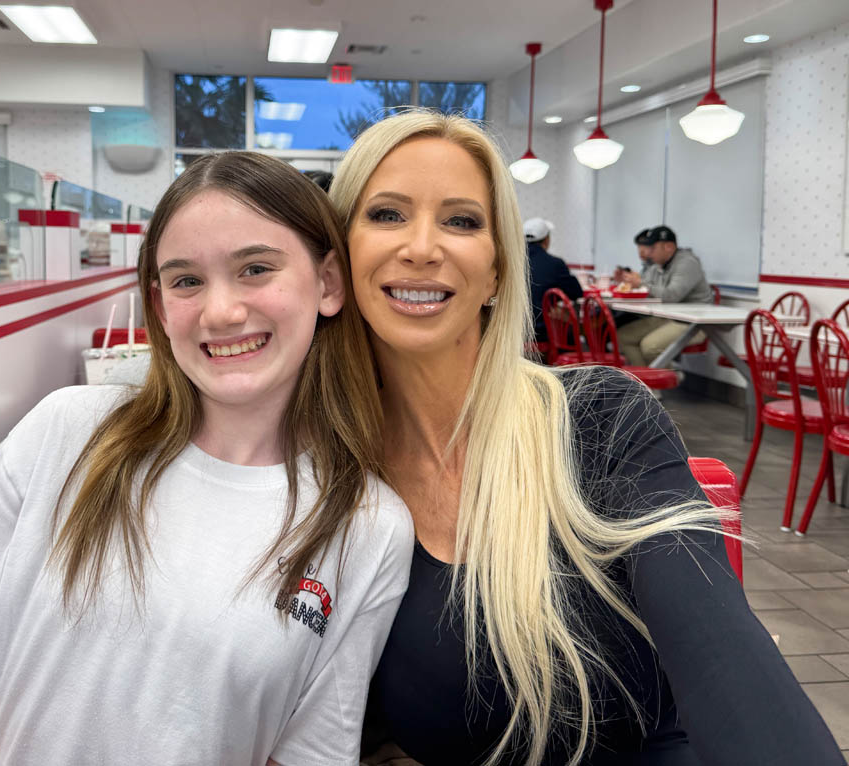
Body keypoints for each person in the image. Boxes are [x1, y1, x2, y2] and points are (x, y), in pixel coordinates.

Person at [328, 111, 842, 766]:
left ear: (495, 273)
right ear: (338, 258)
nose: (423, 246)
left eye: (461, 221)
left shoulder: (602, 420)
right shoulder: (319, 475)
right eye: (387, 214)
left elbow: (726, 658)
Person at [0, 152, 413, 765]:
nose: (221, 312)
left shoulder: (369, 527)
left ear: (327, 284)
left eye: (255, 268)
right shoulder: (65, 434)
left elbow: (303, 757)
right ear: (160, 307)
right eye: (187, 280)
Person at [615, 225, 714, 366]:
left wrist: (641, 284)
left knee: (650, 347)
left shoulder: (687, 263)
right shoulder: (659, 265)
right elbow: (648, 288)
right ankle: (643, 385)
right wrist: (628, 281)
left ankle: (671, 378)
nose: (648, 253)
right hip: (668, 317)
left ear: (668, 247)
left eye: (652, 248)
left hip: (692, 323)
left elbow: (671, 296)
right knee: (622, 337)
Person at [523, 217, 583, 345]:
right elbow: (577, 292)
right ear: (546, 240)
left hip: (512, 331)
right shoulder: (555, 264)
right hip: (540, 332)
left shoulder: (509, 263)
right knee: (572, 330)